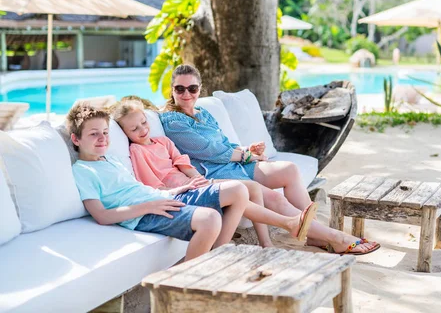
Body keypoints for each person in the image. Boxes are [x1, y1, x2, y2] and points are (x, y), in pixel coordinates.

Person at [160, 64, 380, 255]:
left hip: (234, 163)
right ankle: (337, 238)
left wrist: (248, 150)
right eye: (180, 88)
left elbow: (225, 143)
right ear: (172, 90)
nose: (186, 94)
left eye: (192, 88)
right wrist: (246, 155)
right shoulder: (172, 120)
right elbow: (210, 151)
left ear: (199, 89)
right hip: (216, 172)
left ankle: (314, 233)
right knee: (275, 199)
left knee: (289, 170)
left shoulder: (202, 113)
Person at [111, 99, 316, 247]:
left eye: (144, 123)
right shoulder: (137, 151)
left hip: (194, 183)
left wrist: (196, 178)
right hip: (179, 191)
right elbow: (153, 186)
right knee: (239, 192)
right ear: (126, 133)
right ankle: (279, 228)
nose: (142, 129)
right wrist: (185, 186)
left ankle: (266, 242)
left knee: (252, 188)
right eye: (134, 129)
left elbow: (182, 162)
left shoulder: (162, 141)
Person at [67, 102, 246, 261]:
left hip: (162, 198)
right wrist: (149, 207)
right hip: (143, 214)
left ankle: (215, 259)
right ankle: (183, 282)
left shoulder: (112, 160)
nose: (102, 138)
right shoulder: (83, 170)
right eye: (93, 134)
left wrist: (179, 190)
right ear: (76, 139)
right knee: (210, 219)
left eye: (105, 132)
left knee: (238, 190)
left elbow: (141, 189)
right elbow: (102, 216)